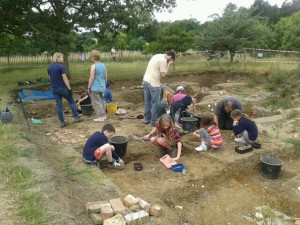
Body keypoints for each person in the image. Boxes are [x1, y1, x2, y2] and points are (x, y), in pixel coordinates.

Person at [47, 52, 83, 127]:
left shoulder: (49, 67)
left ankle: (62, 122)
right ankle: (76, 117)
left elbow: (50, 79)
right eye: (62, 57)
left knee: (59, 105)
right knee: (71, 101)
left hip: (54, 89)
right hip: (62, 88)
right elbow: (65, 79)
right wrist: (69, 89)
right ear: (58, 57)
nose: (63, 58)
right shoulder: (61, 67)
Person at [143, 50, 175, 126]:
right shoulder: (163, 60)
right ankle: (153, 122)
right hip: (154, 84)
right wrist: (169, 64)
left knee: (147, 102)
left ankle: (146, 119)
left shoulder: (157, 55)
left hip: (145, 81)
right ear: (170, 57)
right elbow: (163, 75)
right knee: (155, 104)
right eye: (170, 59)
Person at [88, 50, 107, 122]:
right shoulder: (103, 65)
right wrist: (104, 84)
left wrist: (89, 86)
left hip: (95, 87)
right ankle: (104, 115)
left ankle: (100, 116)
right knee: (102, 100)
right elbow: (105, 76)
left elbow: (92, 77)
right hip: (102, 86)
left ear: (93, 57)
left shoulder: (93, 66)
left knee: (97, 102)